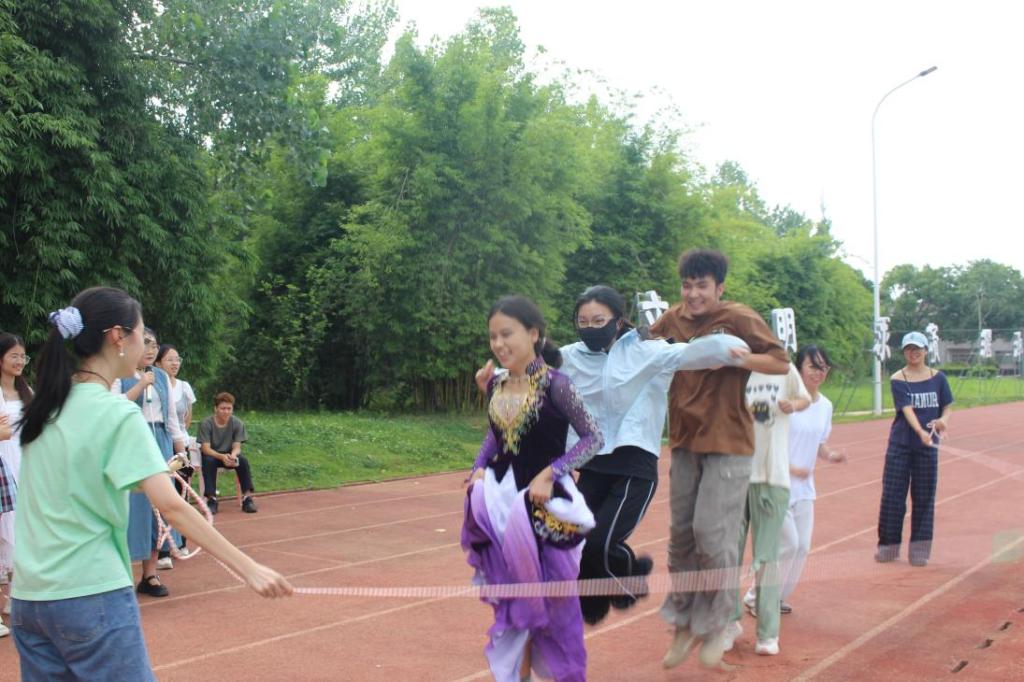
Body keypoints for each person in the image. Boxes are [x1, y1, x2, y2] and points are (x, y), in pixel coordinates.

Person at [11, 287, 291, 681]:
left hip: (30, 598)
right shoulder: (116, 414)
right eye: (142, 336)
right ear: (117, 337)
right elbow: (172, 506)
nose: (146, 347)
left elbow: (77, 484)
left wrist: (149, 474)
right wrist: (249, 568)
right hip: (90, 593)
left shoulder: (43, 411)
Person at [477, 286, 749, 626]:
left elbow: (692, 353)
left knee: (599, 544)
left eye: (598, 321)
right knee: (574, 543)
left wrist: (734, 345)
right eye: (583, 322)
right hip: (593, 466)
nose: (590, 328)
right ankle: (596, 598)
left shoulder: (647, 352)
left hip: (635, 467)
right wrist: (494, 379)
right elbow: (529, 371)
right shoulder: (570, 357)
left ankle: (630, 577)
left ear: (618, 322)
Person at [650, 248, 790, 670]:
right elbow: (643, 352)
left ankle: (717, 625)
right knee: (681, 538)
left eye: (702, 286)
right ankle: (683, 624)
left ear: (719, 287)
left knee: (712, 535)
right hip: (684, 441)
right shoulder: (671, 321)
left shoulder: (738, 318)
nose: (693, 294)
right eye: (687, 285)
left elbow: (780, 362)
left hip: (729, 443)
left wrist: (740, 359)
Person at [462, 295, 603, 682]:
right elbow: (495, 437)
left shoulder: (558, 385)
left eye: (507, 334)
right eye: (493, 337)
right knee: (515, 600)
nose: (498, 344)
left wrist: (551, 473)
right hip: (501, 503)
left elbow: (593, 438)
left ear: (533, 334)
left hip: (543, 505)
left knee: (550, 602)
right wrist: (477, 469)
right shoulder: (496, 384)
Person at [749, 344, 845, 615]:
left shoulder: (825, 406)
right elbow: (765, 442)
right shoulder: (784, 402)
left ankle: (776, 597)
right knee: (787, 544)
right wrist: (791, 468)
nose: (818, 372)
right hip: (777, 483)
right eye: (813, 366)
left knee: (802, 547)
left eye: (823, 367)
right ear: (798, 369)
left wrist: (831, 455)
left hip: (804, 489)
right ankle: (759, 598)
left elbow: (820, 442)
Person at [725, 362, 810, 657]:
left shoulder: (783, 368)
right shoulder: (735, 369)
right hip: (735, 473)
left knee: (767, 556)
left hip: (771, 477)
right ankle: (728, 623)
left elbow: (804, 398)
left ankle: (768, 632)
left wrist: (792, 405)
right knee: (727, 553)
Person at [112, 327, 188, 597]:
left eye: (154, 345)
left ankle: (150, 574)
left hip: (160, 443)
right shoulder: (119, 375)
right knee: (133, 510)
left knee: (159, 509)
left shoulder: (161, 377)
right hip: (132, 443)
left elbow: (172, 420)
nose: (151, 349)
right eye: (145, 343)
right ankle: (122, 576)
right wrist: (140, 385)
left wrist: (181, 451)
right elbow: (113, 407)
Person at [876, 331, 953, 567]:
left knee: (924, 497)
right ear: (904, 352)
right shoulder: (898, 379)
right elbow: (906, 409)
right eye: (909, 349)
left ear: (926, 350)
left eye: (917, 348)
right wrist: (919, 431)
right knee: (893, 496)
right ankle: (888, 548)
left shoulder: (938, 378)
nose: (913, 353)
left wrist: (943, 421)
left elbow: (947, 406)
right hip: (901, 444)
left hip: (928, 448)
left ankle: (919, 551)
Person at [0, 332, 33, 636]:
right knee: (3, 533)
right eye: (14, 356)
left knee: (21, 531)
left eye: (23, 356)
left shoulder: (26, 392)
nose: (20, 361)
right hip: (2, 466)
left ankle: (15, 597)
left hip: (24, 465)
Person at [155, 343, 197, 569]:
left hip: (180, 444)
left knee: (182, 495)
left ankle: (180, 542)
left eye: (177, 359)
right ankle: (162, 549)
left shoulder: (184, 386)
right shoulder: (154, 384)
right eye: (170, 359)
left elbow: (186, 418)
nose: (175, 363)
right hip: (160, 444)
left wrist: (181, 443)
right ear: (158, 362)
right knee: (161, 497)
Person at [199, 392, 257, 514]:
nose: (226, 411)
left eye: (229, 408)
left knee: (242, 461)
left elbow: (237, 446)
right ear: (216, 409)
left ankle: (247, 498)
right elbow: (205, 448)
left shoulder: (237, 423)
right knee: (208, 461)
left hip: (229, 455)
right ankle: (212, 499)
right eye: (223, 408)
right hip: (213, 455)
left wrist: (233, 456)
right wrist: (221, 456)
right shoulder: (206, 423)